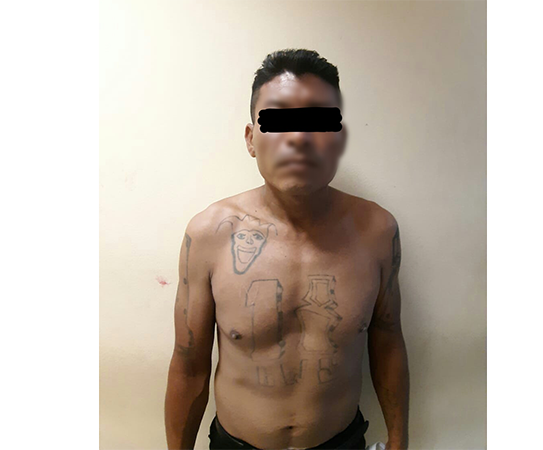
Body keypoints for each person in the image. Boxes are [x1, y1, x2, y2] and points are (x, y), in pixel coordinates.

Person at [165, 49, 410, 450]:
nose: (298, 138)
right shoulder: (209, 235)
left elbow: (388, 341)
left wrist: (399, 440)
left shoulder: (377, 232)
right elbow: (189, 364)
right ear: (251, 139)